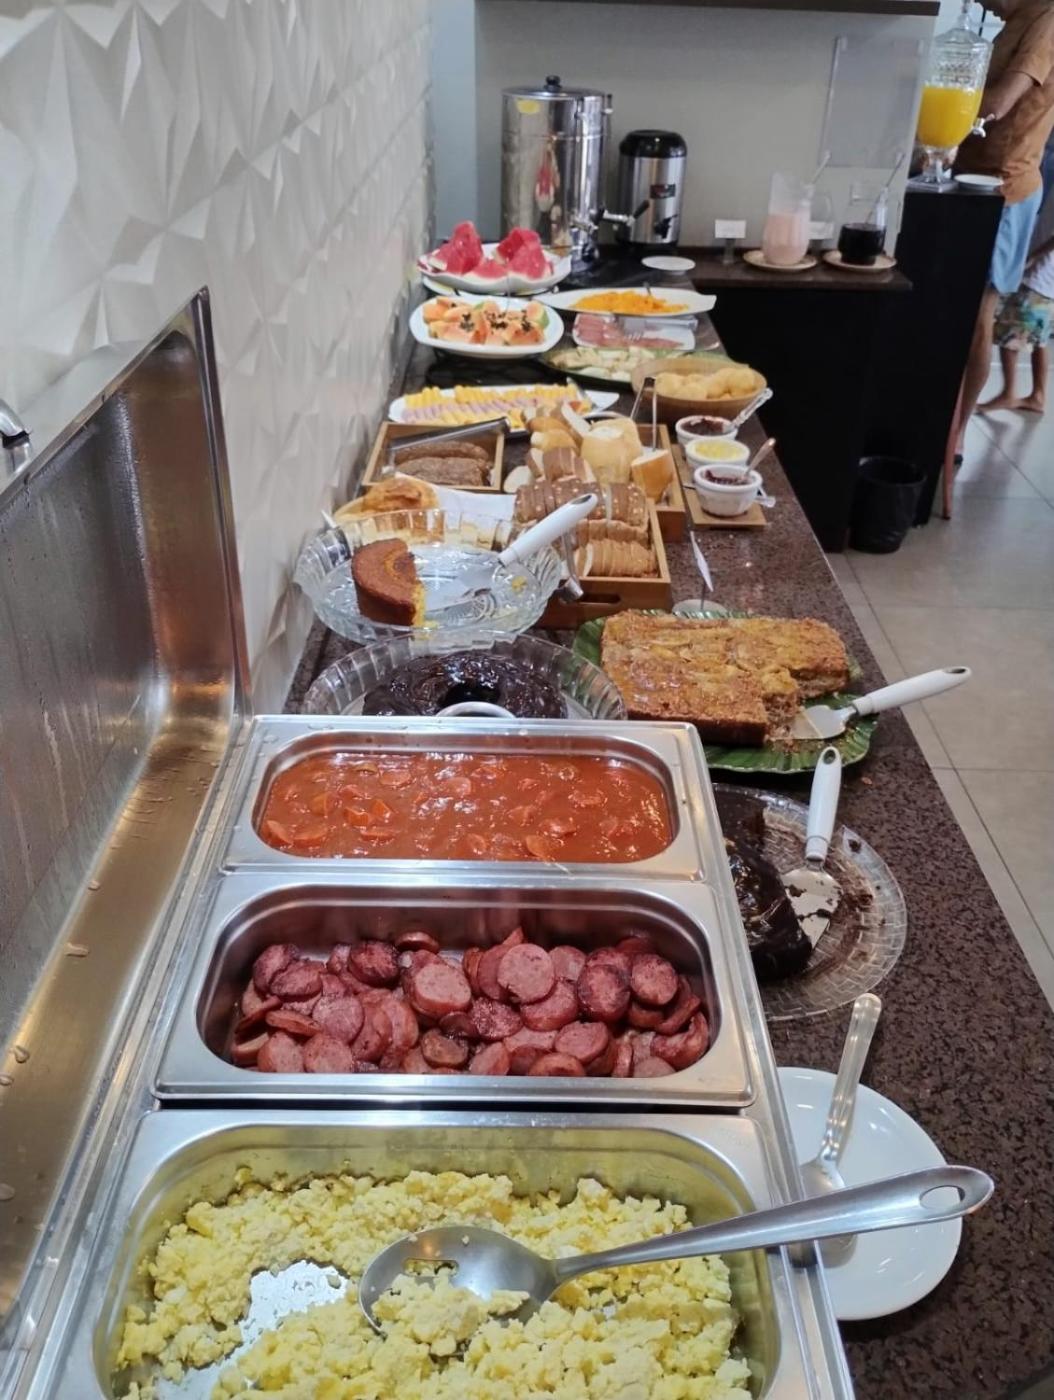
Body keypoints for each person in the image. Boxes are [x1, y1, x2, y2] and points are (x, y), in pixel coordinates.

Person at [955, 0, 1054, 446]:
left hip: (1004, 190)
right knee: (956, 313)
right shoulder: (1016, 21)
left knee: (977, 318)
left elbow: (997, 104)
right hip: (974, 181)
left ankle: (954, 438)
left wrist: (928, 103)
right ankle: (940, 428)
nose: (976, 2)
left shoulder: (1047, 20)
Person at [980, 235, 1054, 411]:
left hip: (1037, 274)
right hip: (1044, 277)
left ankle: (1008, 393)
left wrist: (1033, 256)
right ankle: (1038, 396)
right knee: (1039, 340)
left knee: (1010, 336)